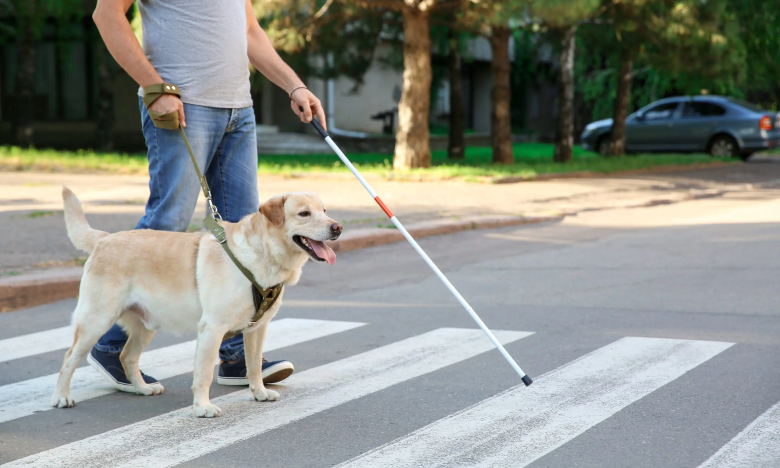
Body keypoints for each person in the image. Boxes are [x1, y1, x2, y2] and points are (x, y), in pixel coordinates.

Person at [88, 0, 326, 392]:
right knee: (168, 224)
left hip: (239, 110)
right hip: (181, 105)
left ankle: (234, 355)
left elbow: (249, 31)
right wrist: (154, 86)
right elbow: (106, 14)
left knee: (246, 238)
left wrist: (294, 85)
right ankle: (112, 344)